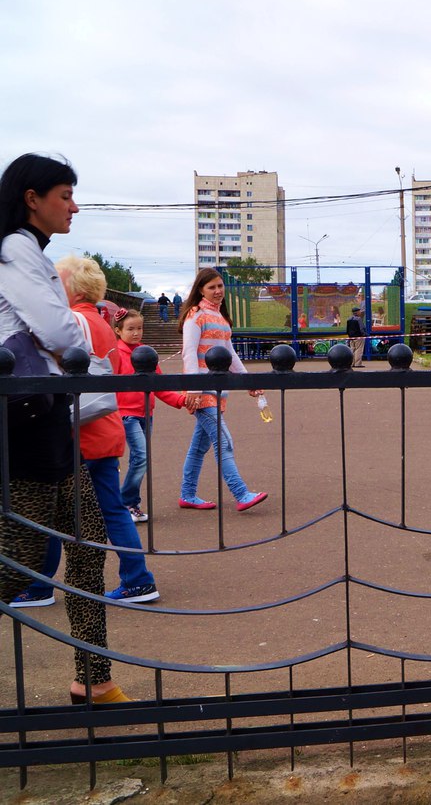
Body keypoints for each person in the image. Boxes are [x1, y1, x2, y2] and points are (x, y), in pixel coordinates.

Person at [0, 153, 128, 704]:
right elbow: (59, 331)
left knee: (87, 543)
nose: (74, 206)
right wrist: (67, 342)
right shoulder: (14, 249)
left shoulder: (30, 252)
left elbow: (59, 336)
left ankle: (93, 679)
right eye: (65, 195)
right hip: (27, 422)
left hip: (48, 415)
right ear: (32, 199)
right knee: (19, 561)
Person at [17, 257, 165, 606]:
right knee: (111, 509)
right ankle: (138, 579)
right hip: (103, 427)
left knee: (50, 510)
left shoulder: (72, 321)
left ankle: (39, 586)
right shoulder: (100, 322)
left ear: (73, 286)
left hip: (77, 432)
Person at [177, 268, 268, 511]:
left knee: (199, 447)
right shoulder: (196, 315)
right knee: (224, 441)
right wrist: (194, 388)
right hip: (202, 391)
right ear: (200, 290)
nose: (218, 291)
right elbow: (189, 352)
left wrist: (248, 381)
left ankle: (187, 494)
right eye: (212, 287)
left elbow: (230, 354)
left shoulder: (220, 317)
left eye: (220, 286)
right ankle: (241, 493)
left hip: (216, 390)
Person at [113, 309, 186, 521]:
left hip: (146, 414)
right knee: (141, 457)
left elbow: (159, 386)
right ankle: (126, 502)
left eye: (139, 328)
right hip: (126, 414)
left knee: (139, 458)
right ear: (118, 331)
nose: (136, 333)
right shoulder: (116, 354)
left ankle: (130, 504)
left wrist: (180, 400)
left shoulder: (147, 353)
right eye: (130, 329)